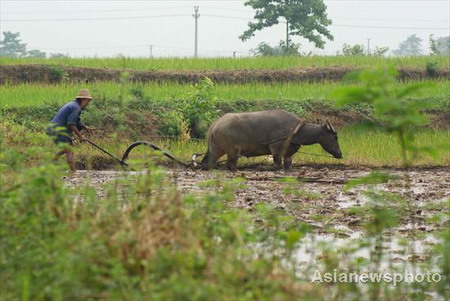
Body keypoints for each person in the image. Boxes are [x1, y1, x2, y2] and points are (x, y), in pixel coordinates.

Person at [47, 89, 93, 172]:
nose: (88, 103)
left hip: (53, 128)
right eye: (88, 101)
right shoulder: (76, 108)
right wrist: (80, 136)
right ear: (83, 99)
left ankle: (51, 162)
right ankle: (74, 173)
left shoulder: (73, 105)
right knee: (69, 150)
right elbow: (71, 124)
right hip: (58, 129)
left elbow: (75, 120)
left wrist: (84, 127)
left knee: (69, 147)